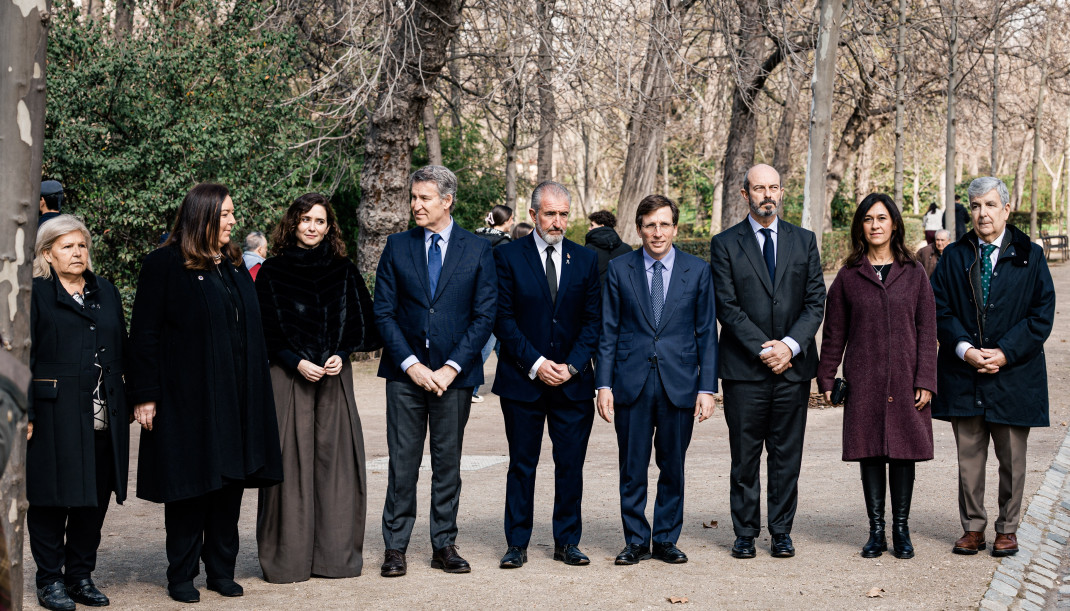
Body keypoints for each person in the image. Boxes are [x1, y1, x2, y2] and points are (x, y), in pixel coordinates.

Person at [129, 183, 283, 603]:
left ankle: (221, 570)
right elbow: (143, 334)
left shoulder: (232, 265)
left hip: (236, 397)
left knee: (228, 485)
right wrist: (145, 395)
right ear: (204, 216)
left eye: (233, 214)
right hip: (186, 399)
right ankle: (181, 574)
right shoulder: (163, 264)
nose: (234, 221)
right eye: (227, 214)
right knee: (189, 486)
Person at [374, 165, 497, 577]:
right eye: (413, 197)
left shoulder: (478, 249)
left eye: (424, 198)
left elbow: (484, 316)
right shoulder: (396, 246)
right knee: (402, 463)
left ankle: (444, 544)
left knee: (448, 463)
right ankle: (395, 548)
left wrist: (449, 368)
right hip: (403, 374)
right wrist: (411, 365)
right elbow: (384, 313)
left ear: (447, 201)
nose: (415, 205)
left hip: (455, 377)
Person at [255, 194, 380, 583]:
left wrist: (342, 353)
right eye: (306, 219)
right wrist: (295, 361)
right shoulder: (271, 271)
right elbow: (264, 330)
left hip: (333, 377)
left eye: (320, 221)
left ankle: (334, 558)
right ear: (292, 223)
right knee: (289, 465)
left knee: (337, 464)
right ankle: (288, 560)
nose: (312, 227)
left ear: (330, 227)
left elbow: (363, 324)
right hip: (289, 376)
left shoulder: (343, 270)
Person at [930, 176, 1055, 557]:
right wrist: (965, 349)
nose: (982, 214)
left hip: (1015, 374)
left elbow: (1041, 314)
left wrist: (1004, 352)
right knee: (969, 458)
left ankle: (1008, 528)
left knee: (1013, 459)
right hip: (964, 371)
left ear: (1006, 209)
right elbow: (938, 309)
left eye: (989, 205)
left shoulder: (1030, 255)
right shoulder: (954, 256)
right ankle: (972, 527)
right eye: (975, 207)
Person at [709, 163, 825, 559]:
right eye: (759, 188)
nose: (767, 195)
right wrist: (766, 348)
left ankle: (780, 532)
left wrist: (789, 346)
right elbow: (726, 306)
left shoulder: (804, 241)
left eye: (774, 186)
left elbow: (815, 302)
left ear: (781, 191)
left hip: (792, 369)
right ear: (745, 194)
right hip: (745, 371)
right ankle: (744, 533)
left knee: (786, 455)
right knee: (744, 456)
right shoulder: (724, 244)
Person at [597, 194, 718, 566]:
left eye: (664, 224)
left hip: (679, 384)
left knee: (673, 466)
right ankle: (635, 540)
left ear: (675, 228)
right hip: (630, 384)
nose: (657, 232)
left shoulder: (697, 270)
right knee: (632, 468)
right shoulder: (620, 269)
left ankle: (665, 539)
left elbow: (706, 333)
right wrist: (603, 385)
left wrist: (707, 388)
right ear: (638, 229)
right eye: (650, 224)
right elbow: (608, 331)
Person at [817, 193, 938, 560]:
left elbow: (927, 327)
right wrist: (826, 379)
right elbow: (834, 332)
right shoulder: (849, 276)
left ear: (894, 224)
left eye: (882, 218)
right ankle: (876, 532)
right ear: (861, 226)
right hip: (864, 380)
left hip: (906, 378)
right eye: (868, 219)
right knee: (870, 452)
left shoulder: (914, 272)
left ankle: (901, 530)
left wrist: (926, 380)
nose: (875, 225)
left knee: (903, 453)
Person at [492, 182, 601, 569]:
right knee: (523, 464)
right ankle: (517, 543)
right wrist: (537, 364)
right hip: (523, 382)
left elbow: (593, 321)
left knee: (570, 464)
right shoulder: (507, 257)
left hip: (573, 383)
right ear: (534, 214)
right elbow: (502, 319)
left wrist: (571, 366)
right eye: (550, 214)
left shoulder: (585, 260)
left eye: (563, 214)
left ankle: (567, 542)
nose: (558, 222)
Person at [26, 216, 129, 611]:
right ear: (47, 253)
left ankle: (80, 577)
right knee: (50, 500)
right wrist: (26, 412)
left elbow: (123, 346)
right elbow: (20, 356)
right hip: (53, 416)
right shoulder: (34, 294)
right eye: (67, 246)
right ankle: (50, 580)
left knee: (93, 500)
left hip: (103, 417)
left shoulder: (107, 292)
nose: (77, 253)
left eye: (82, 246)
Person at [472, 205, 514, 402]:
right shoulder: (504, 243)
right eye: (511, 219)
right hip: (494, 302)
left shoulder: (476, 238)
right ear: (505, 221)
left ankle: (511, 382)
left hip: (475, 298)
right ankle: (470, 389)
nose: (513, 223)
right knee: (486, 346)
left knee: (502, 346)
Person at [584, 210, 632, 288]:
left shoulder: (588, 250)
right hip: (620, 298)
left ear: (602, 226)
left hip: (596, 297)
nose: (589, 228)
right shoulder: (627, 249)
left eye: (592, 225)